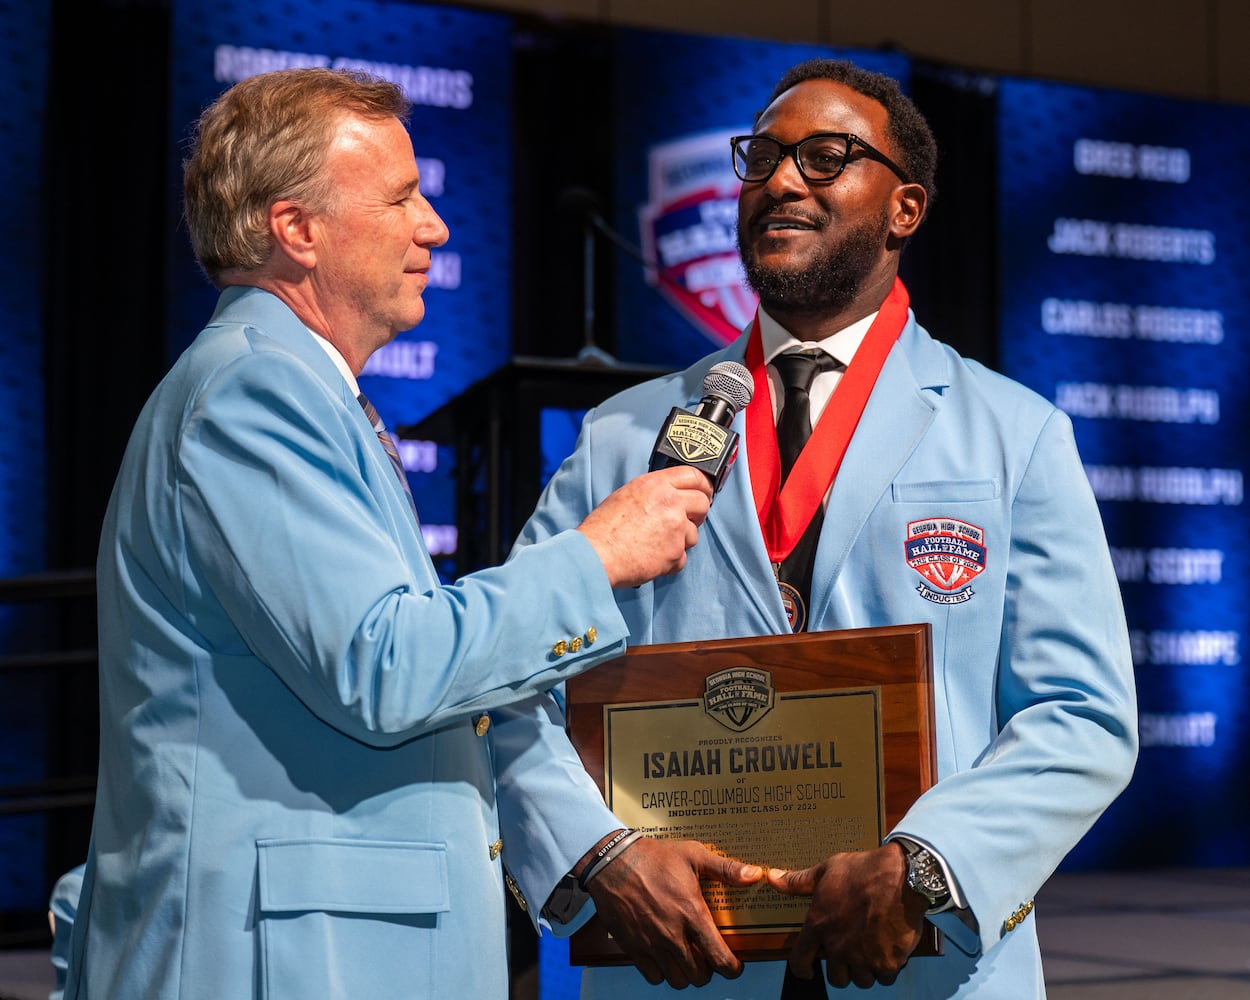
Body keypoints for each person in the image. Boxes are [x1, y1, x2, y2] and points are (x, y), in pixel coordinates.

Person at [63, 67, 762, 999]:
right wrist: (595, 557)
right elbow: (382, 665)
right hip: (289, 963)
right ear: (296, 229)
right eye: (400, 198)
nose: (432, 226)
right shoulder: (253, 391)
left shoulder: (293, 387)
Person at [512, 58, 1138, 997]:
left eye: (826, 156)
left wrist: (925, 866)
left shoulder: (1015, 436)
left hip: (920, 961)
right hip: (682, 963)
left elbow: (1083, 716)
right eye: (761, 156)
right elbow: (510, 681)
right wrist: (599, 855)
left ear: (905, 209)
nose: (780, 179)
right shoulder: (621, 438)